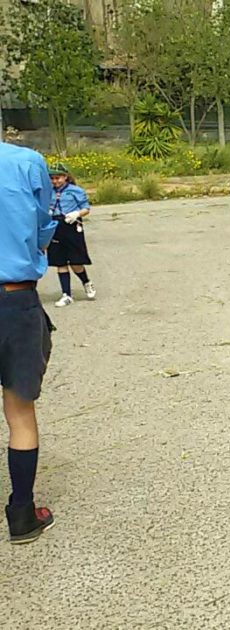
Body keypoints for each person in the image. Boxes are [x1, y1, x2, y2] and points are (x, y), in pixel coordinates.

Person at [0, 141, 57, 544]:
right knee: (19, 410)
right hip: (13, 296)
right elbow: (43, 229)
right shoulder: (25, 162)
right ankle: (22, 514)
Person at [46, 164, 96, 307]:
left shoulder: (75, 191)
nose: (55, 181)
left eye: (58, 178)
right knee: (60, 262)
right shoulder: (47, 192)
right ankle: (66, 294)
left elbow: (86, 208)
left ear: (65, 177)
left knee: (76, 262)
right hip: (55, 225)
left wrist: (77, 214)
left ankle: (86, 281)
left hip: (71, 224)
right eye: (52, 179)